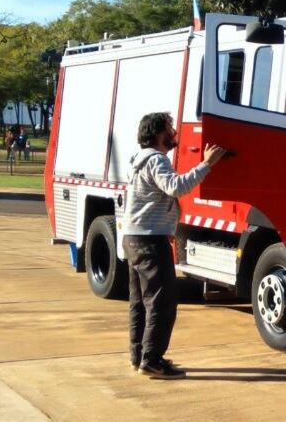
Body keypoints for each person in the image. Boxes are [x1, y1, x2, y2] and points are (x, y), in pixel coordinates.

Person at [121, 112, 225, 380]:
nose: (174, 132)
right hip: (149, 241)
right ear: (158, 133)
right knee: (161, 302)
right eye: (169, 128)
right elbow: (175, 187)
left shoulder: (138, 160)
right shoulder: (156, 159)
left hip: (133, 238)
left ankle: (139, 356)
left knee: (140, 303)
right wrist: (207, 164)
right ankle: (153, 361)